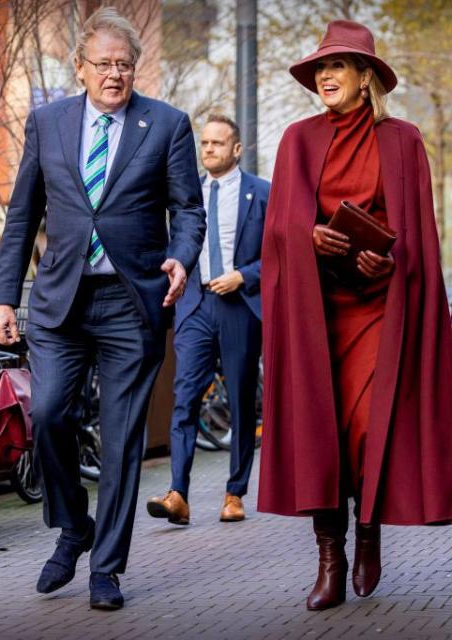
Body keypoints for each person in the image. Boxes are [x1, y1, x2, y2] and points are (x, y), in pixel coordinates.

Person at [0, 7, 204, 611]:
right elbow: (22, 215)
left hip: (132, 303)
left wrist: (182, 256)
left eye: (125, 65)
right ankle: (74, 527)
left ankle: (106, 569)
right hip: (60, 302)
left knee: (121, 443)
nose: (114, 74)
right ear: (79, 67)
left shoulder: (167, 125)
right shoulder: (47, 122)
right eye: (103, 64)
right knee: (49, 413)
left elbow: (188, 210)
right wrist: (4, 295)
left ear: (135, 70)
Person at [258, 20, 452, 611]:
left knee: (368, 429)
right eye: (320, 67)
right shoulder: (297, 138)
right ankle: (330, 556)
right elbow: (278, 227)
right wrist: (309, 237)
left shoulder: (404, 140)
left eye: (338, 66)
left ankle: (368, 532)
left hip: (378, 306)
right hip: (318, 310)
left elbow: (419, 231)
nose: (325, 75)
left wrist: (387, 261)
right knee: (325, 436)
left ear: (366, 77)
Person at [146, 115, 269, 525]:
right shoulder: (186, 195)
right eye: (205, 143)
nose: (209, 149)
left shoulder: (262, 194)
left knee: (239, 401)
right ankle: (178, 494)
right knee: (184, 400)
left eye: (218, 143)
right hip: (195, 308)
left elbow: (279, 254)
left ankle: (234, 493)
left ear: (237, 149)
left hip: (239, 307)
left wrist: (244, 276)